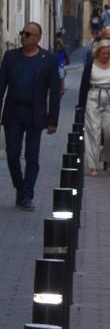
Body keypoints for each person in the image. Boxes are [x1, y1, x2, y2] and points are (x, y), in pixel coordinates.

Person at [0, 22, 61, 210]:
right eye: (22, 33)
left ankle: (27, 196)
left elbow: (55, 92)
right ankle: (20, 187)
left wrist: (53, 121)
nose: (23, 36)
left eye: (28, 34)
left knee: (32, 157)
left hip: (35, 113)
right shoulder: (10, 57)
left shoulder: (48, 59)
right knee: (12, 155)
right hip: (13, 112)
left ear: (37, 38)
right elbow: (1, 87)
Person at [78, 39, 110, 177]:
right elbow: (84, 86)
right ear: (97, 52)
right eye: (103, 53)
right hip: (93, 97)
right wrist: (81, 105)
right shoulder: (90, 66)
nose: (106, 56)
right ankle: (93, 165)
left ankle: (107, 157)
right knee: (93, 131)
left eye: (109, 53)